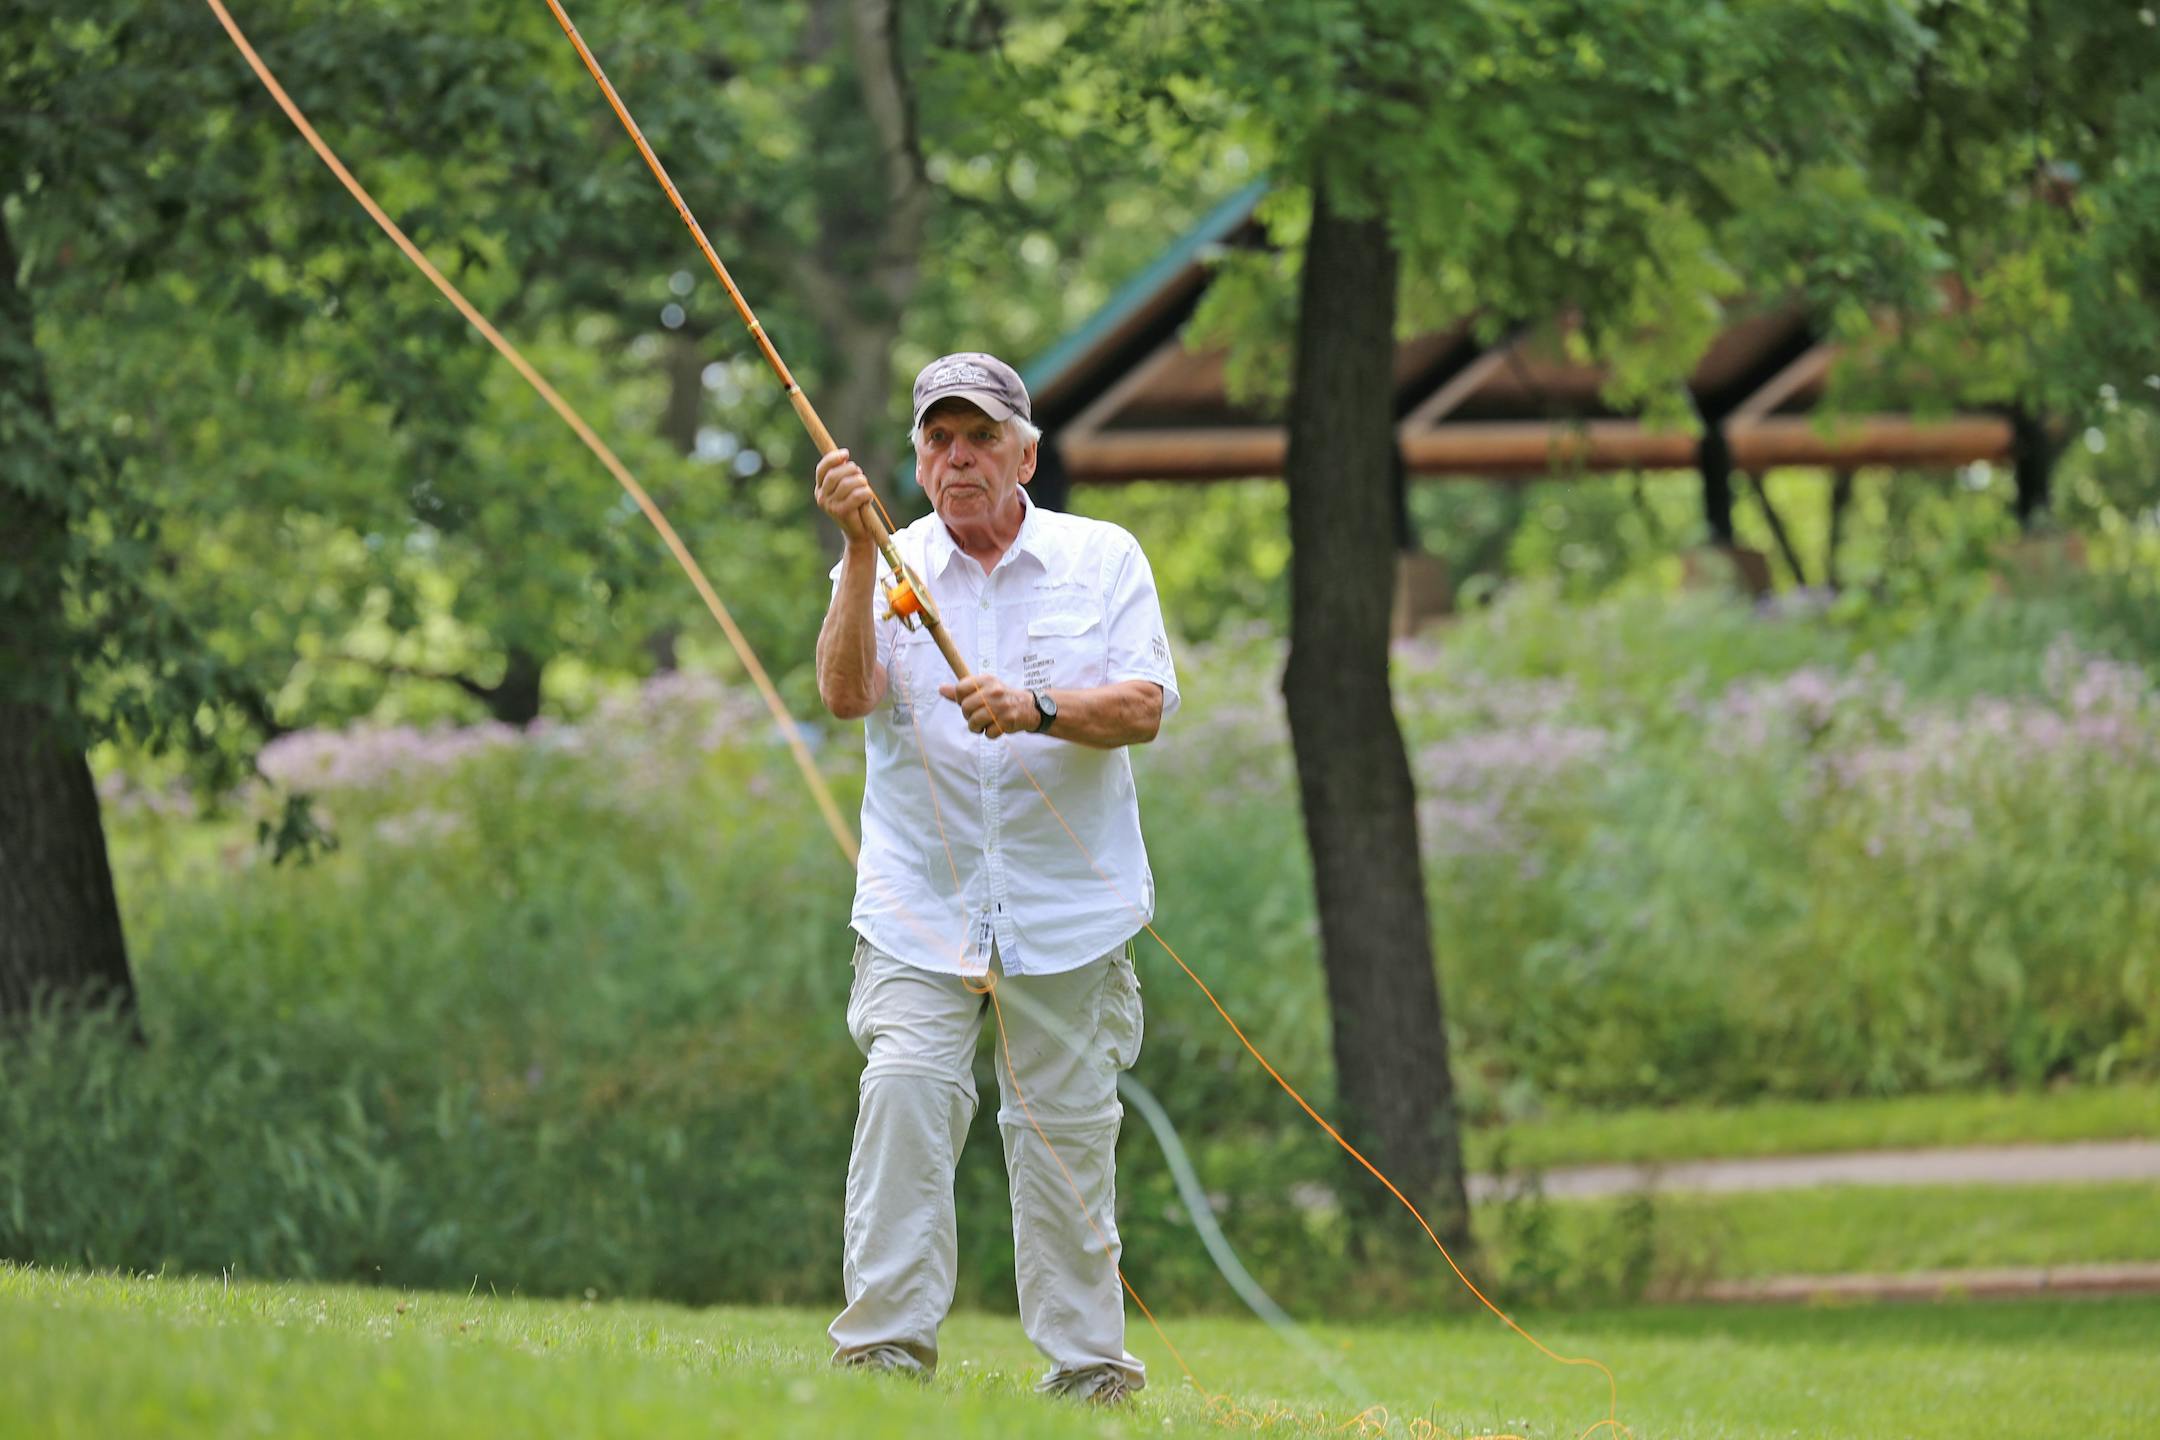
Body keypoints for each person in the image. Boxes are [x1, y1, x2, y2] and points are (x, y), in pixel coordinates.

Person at [811, 352, 1179, 1404]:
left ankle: (1089, 1372)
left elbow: (1145, 708)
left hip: (1069, 914)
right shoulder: (885, 561)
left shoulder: (1099, 557)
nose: (958, 457)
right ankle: (883, 1357)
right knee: (904, 1099)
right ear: (919, 459)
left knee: (1066, 1140)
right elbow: (845, 694)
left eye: (980, 439)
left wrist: (1037, 707)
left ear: (1026, 451)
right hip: (917, 910)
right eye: (939, 439)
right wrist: (850, 551)